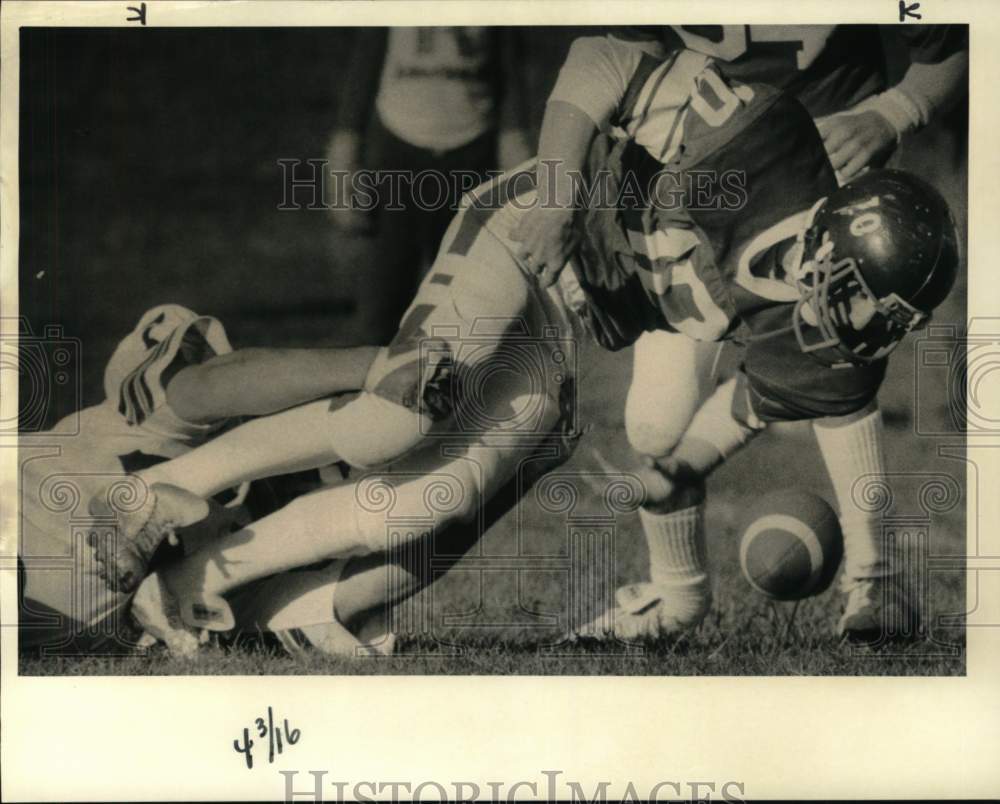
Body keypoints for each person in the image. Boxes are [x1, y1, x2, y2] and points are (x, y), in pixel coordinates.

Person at [86, 38, 958, 651]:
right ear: (834, 239)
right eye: (855, 301)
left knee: (433, 499)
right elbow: (600, 59)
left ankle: (200, 584)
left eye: (879, 323)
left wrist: (679, 466)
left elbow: (757, 399)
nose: (851, 330)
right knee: (391, 424)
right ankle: (161, 491)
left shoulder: (828, 333)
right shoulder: (765, 145)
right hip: (526, 230)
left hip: (568, 323)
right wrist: (557, 188)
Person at [509, 27, 967, 642]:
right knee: (655, 425)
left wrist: (892, 112)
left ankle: (875, 576)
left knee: (835, 353)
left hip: (824, 158)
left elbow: (956, 36)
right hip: (709, 155)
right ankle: (676, 595)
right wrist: (560, 192)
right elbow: (609, 57)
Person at [17, 304, 387, 656]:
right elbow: (206, 385)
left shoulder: (286, 545)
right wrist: (375, 368)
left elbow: (349, 592)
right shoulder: (134, 423)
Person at [328, 27, 532, 343]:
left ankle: (457, 383)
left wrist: (514, 140)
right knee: (385, 291)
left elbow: (508, 67)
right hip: (399, 147)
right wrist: (345, 146)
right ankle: (370, 381)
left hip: (472, 147)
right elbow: (365, 62)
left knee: (464, 286)